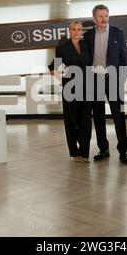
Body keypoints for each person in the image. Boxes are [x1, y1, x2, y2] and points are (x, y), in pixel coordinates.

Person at [83, 4, 127, 164]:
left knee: (119, 117)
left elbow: (125, 59)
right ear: (94, 18)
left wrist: (121, 79)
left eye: (106, 15)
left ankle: (123, 151)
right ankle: (103, 149)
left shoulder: (118, 33)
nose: (103, 19)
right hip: (95, 81)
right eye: (100, 16)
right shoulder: (88, 36)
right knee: (98, 117)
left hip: (114, 81)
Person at [48, 21, 92, 163]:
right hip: (70, 87)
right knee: (71, 119)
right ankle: (75, 153)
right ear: (69, 31)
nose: (76, 32)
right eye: (73, 29)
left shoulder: (87, 45)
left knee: (85, 119)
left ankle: (84, 152)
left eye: (79, 29)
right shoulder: (62, 48)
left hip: (87, 86)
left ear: (81, 31)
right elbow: (53, 67)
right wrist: (62, 80)